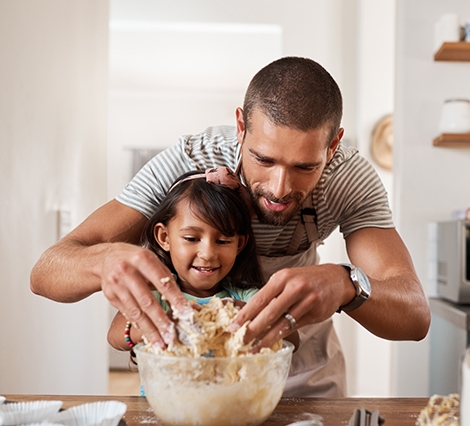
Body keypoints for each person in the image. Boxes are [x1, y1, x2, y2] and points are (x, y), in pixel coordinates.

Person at [30, 56, 430, 397]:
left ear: (334, 145)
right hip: (193, 389)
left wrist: (347, 282)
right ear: (240, 127)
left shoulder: (349, 179)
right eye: (264, 159)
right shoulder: (188, 160)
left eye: (305, 167)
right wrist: (102, 261)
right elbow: (45, 272)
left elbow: (415, 316)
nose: (279, 188)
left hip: (305, 382)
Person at [108, 168, 299, 352]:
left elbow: (293, 339)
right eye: (191, 239)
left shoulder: (245, 297)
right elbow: (115, 335)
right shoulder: (157, 295)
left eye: (223, 241)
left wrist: (245, 312)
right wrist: (164, 324)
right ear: (164, 237)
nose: (207, 254)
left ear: (239, 244)